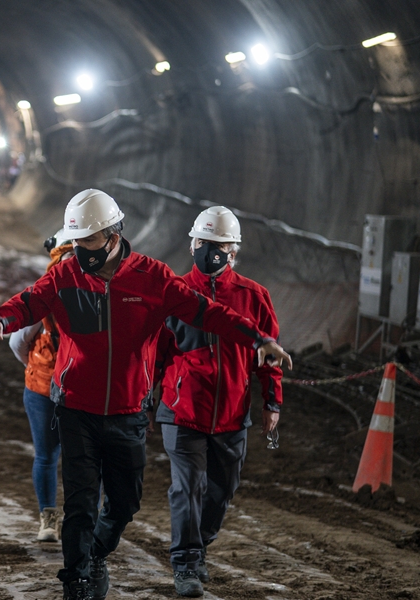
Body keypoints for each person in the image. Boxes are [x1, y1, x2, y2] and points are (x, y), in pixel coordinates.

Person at [0, 189, 291, 600]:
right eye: (75, 243)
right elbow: (28, 303)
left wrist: (257, 339)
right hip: (75, 409)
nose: (79, 250)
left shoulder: (153, 278)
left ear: (111, 235)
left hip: (128, 412)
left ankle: (97, 555)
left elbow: (207, 312)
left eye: (87, 242)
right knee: (81, 505)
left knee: (125, 503)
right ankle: (77, 581)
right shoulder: (65, 275)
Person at [152, 207, 282, 597]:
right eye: (203, 244)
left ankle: (200, 544)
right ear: (192, 243)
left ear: (233, 252)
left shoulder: (254, 297)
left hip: (231, 411)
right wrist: (144, 395)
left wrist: (272, 402)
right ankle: (186, 564)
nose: (209, 251)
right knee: (186, 487)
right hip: (182, 410)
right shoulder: (174, 293)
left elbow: (269, 357)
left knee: (222, 490)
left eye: (219, 246)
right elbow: (156, 351)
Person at [7, 229, 73, 542]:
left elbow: (18, 342)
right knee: (84, 458)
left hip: (42, 388)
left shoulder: (44, 292)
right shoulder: (104, 291)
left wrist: (36, 368)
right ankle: (81, 519)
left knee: (46, 455)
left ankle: (48, 519)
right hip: (82, 391)